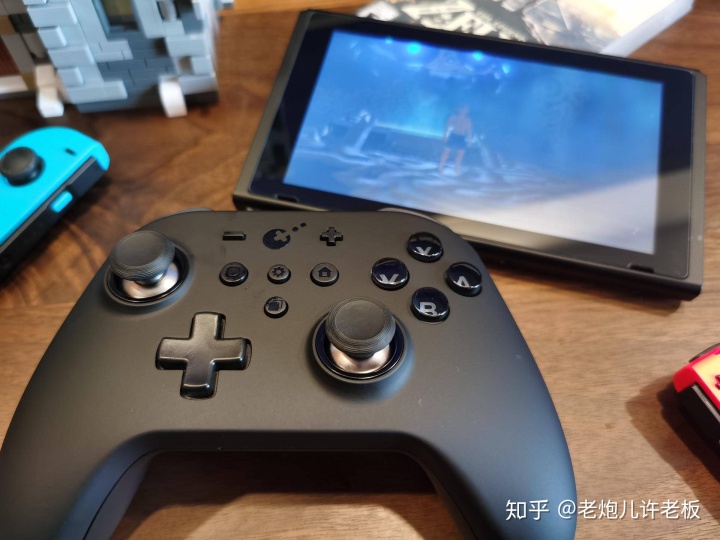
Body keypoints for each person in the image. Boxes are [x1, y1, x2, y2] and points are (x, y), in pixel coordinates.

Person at [438, 105, 472, 175]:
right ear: (459, 110)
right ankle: (441, 166)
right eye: (462, 109)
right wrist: (444, 136)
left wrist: (469, 140)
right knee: (446, 151)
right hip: (453, 135)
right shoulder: (454, 117)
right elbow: (447, 127)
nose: (464, 111)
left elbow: (469, 131)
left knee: (460, 153)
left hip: (461, 137)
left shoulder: (468, 120)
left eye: (465, 110)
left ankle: (456, 168)